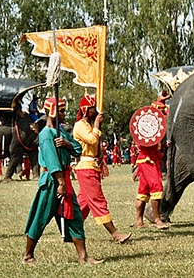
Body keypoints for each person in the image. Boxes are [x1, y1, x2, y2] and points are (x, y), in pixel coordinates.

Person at [23, 98, 102, 265]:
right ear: (52, 112)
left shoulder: (62, 132)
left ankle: (83, 256)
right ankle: (28, 255)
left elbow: (78, 149)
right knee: (40, 216)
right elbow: (52, 161)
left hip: (64, 180)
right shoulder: (46, 134)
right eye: (60, 111)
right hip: (52, 182)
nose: (64, 114)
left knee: (74, 216)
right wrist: (60, 182)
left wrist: (66, 144)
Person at [73, 94, 131, 244]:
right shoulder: (80, 125)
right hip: (86, 167)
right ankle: (115, 234)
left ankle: (70, 230)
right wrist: (98, 125)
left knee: (83, 204)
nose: (97, 112)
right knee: (98, 201)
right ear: (86, 110)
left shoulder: (89, 126)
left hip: (92, 166)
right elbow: (91, 139)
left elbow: (94, 143)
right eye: (93, 109)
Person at [134, 140, 169, 230]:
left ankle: (139, 221)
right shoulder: (145, 133)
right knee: (156, 187)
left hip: (149, 160)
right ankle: (157, 220)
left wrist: (164, 145)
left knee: (143, 191)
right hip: (147, 160)